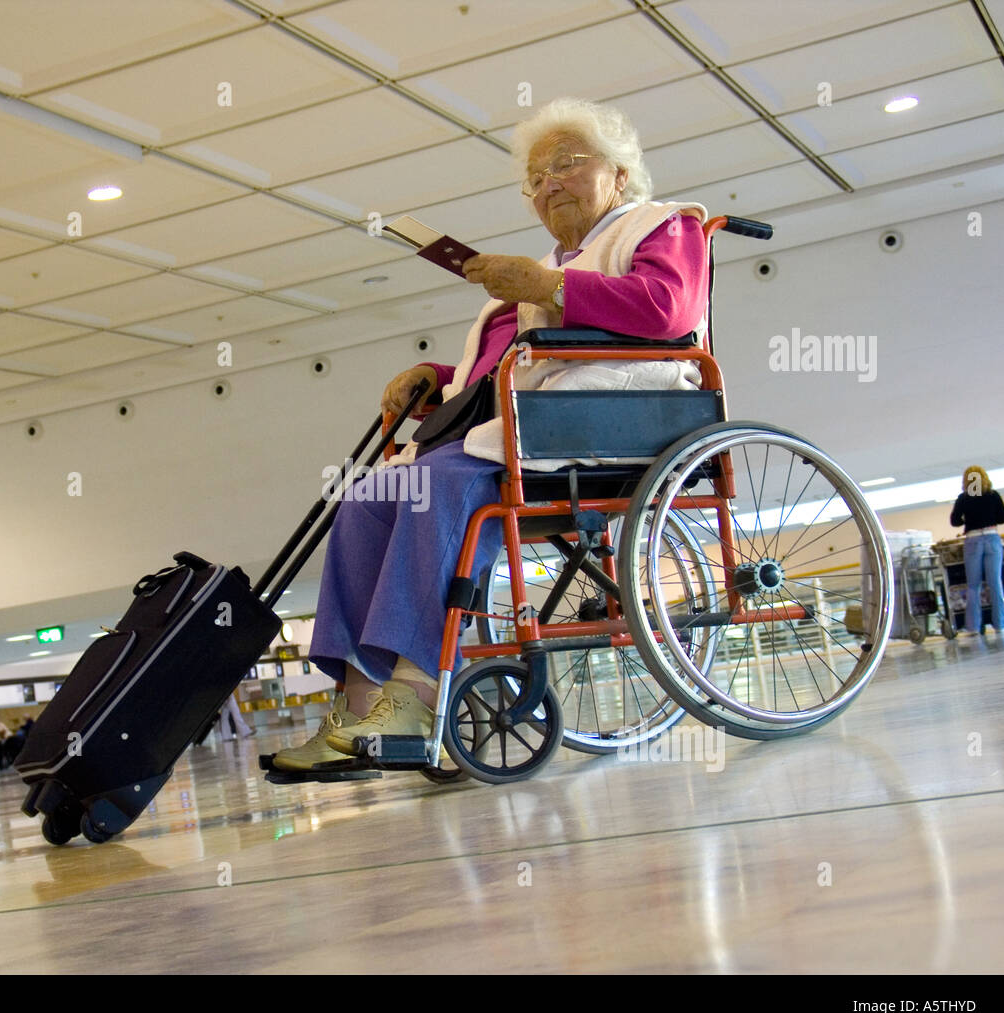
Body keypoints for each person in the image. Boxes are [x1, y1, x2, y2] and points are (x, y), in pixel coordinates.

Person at [272, 97, 709, 772]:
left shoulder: (661, 227)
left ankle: (414, 694)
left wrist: (548, 284)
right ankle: (357, 710)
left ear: (620, 175)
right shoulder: (523, 282)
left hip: (605, 421)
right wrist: (433, 377)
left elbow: (665, 310)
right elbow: (500, 373)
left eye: (568, 164)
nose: (550, 183)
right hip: (520, 426)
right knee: (365, 501)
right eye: (536, 178)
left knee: (437, 487)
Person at [950, 465, 1004, 634]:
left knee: (973, 585)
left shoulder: (963, 498)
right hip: (992, 537)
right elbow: (1003, 517)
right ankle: (1001, 624)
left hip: (973, 540)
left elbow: (955, 521)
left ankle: (973, 627)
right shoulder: (993, 495)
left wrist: (966, 519)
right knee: (995, 583)